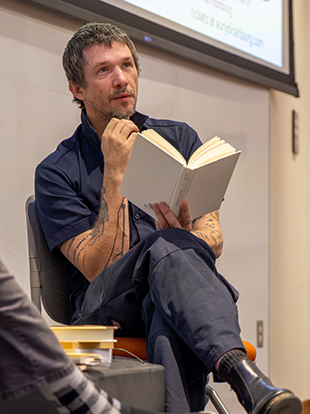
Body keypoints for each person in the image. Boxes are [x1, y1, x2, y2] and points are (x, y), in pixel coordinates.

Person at [35, 22, 302, 413]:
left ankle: (236, 380)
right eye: (104, 70)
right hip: (103, 308)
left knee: (167, 295)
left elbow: (213, 237)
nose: (121, 78)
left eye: (127, 65)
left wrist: (183, 240)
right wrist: (114, 175)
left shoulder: (178, 139)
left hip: (170, 296)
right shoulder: (56, 170)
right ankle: (244, 374)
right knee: (164, 248)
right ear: (78, 89)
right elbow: (95, 268)